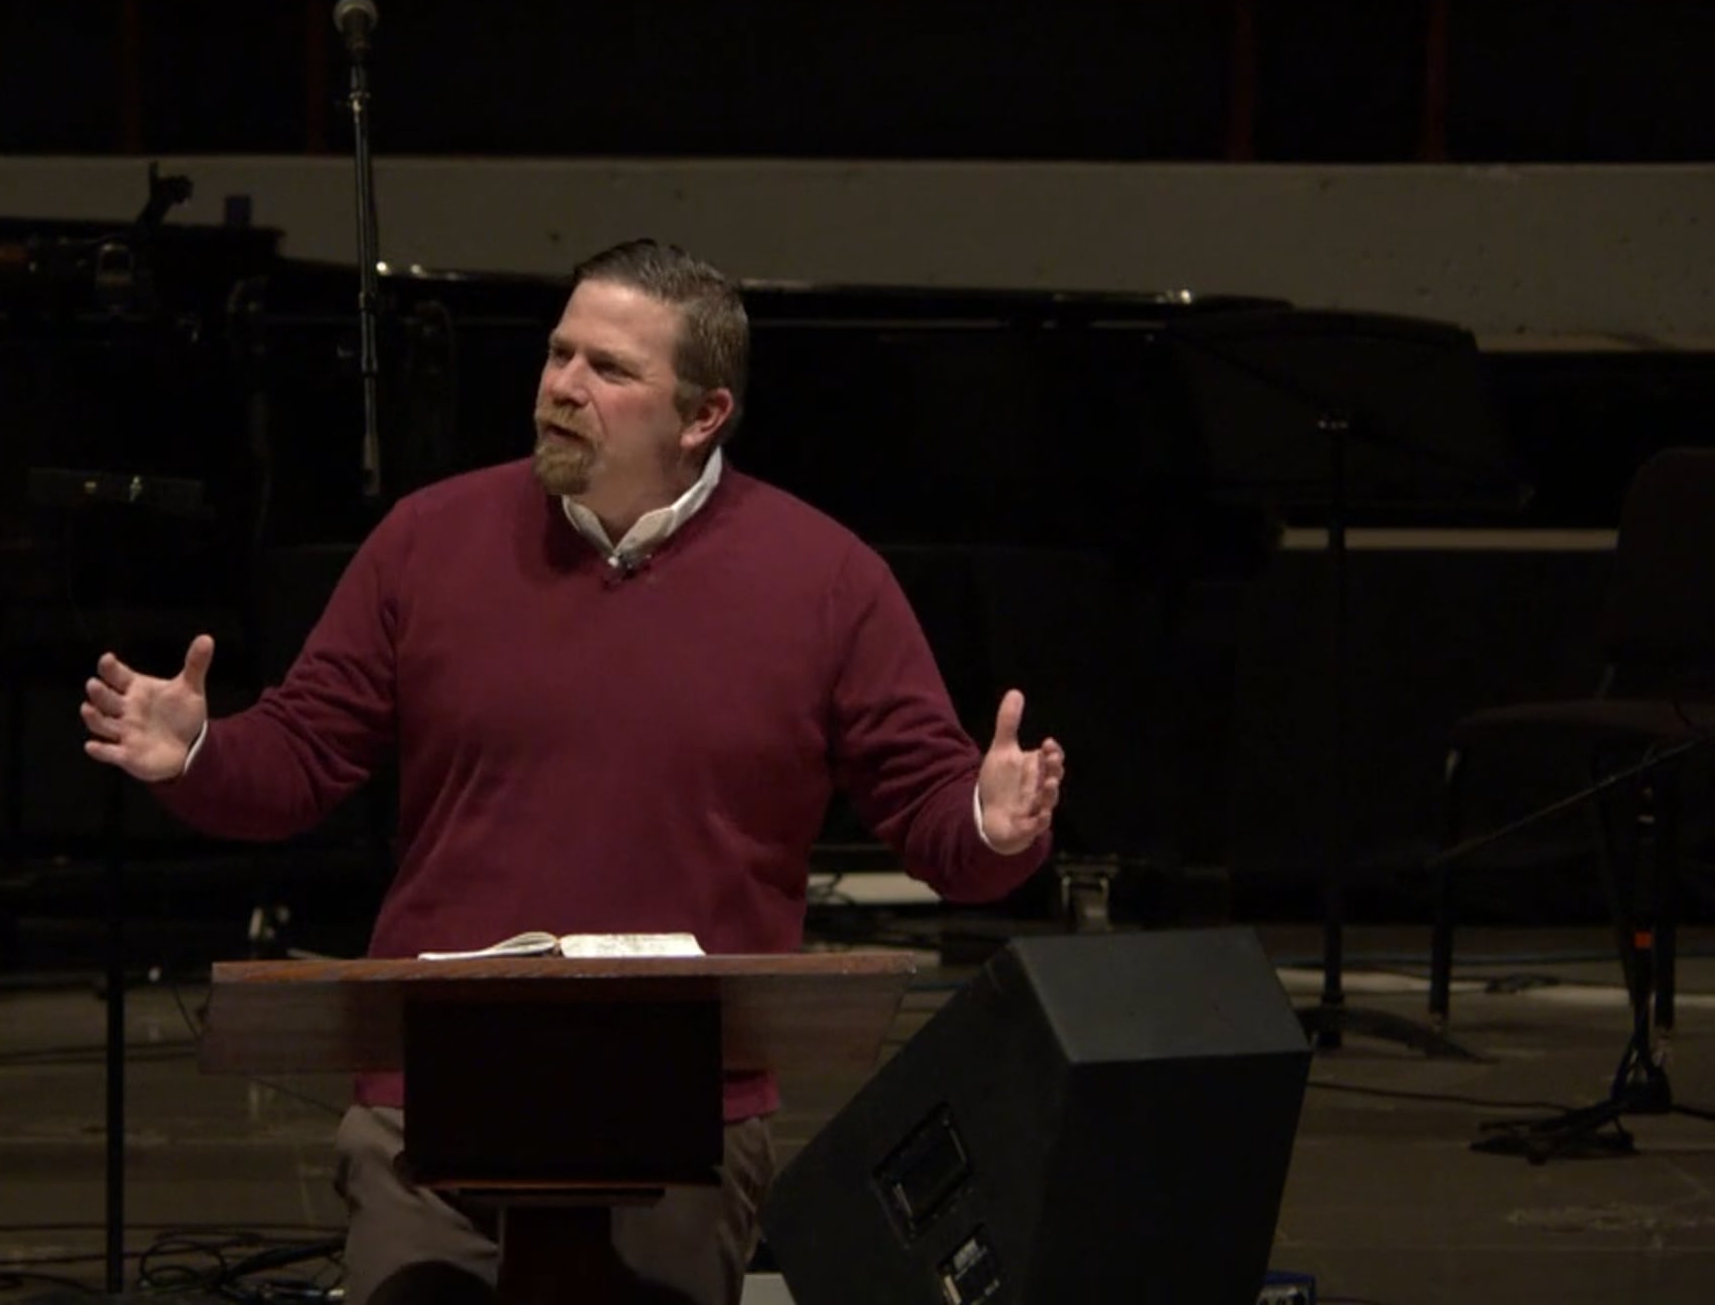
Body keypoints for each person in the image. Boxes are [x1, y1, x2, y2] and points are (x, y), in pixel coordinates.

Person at [80, 238, 1067, 1305]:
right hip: (433, 1095)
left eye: (609, 368)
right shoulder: (428, 541)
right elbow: (303, 756)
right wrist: (198, 754)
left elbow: (932, 815)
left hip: (682, 1115)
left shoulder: (827, 581)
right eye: (559, 354)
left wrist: (992, 826)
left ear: (703, 416)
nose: (563, 386)